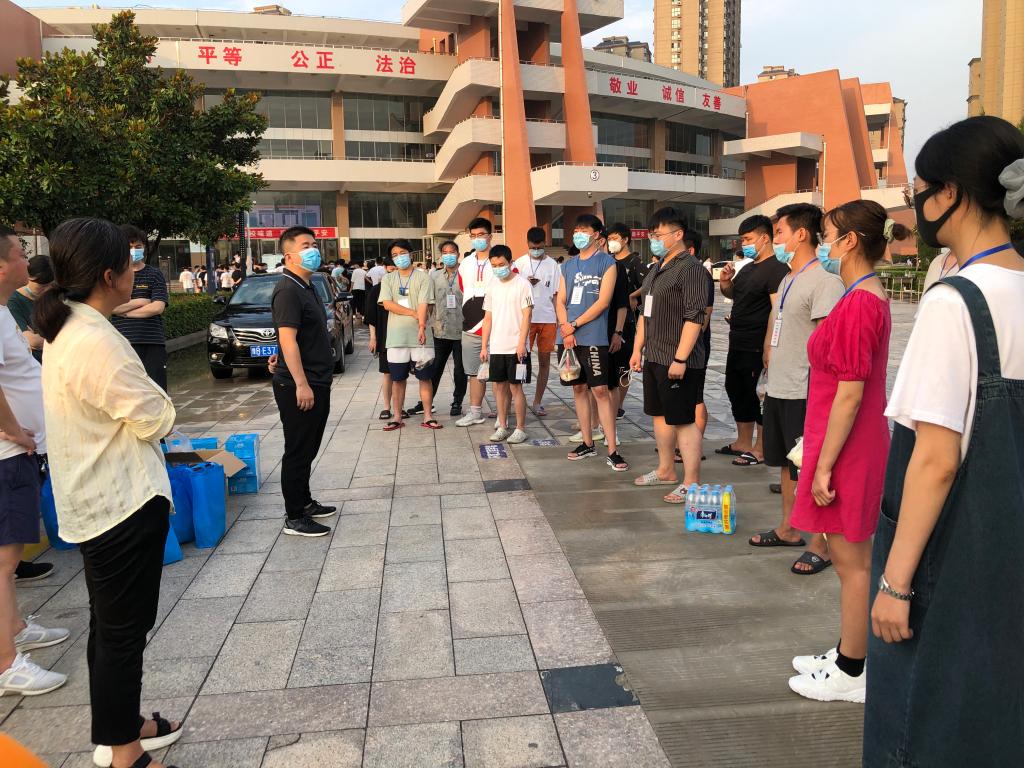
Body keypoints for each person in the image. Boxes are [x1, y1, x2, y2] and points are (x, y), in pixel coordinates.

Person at [864, 116, 1024, 765]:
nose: (917, 207)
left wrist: (896, 583)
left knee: (922, 723)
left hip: (951, 559)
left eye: (919, 192)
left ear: (950, 193)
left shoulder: (955, 301)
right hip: (1011, 551)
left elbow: (934, 460)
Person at [34, 218, 183, 767]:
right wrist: (161, 404)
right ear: (108, 274)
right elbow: (156, 418)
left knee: (112, 626)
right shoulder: (96, 340)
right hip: (121, 504)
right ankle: (125, 753)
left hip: (96, 497)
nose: (135, 271)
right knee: (122, 633)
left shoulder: (70, 324)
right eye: (128, 262)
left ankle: (122, 724)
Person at [786, 201, 908, 703]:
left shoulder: (860, 302)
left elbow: (850, 393)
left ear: (850, 241)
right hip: (841, 440)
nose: (823, 244)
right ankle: (846, 653)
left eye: (827, 235)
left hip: (849, 447)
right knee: (847, 559)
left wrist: (825, 465)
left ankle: (853, 670)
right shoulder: (860, 295)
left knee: (851, 563)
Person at [749, 204, 844, 573]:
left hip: (805, 392)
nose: (776, 241)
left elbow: (825, 346)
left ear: (801, 234)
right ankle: (788, 528)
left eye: (780, 233)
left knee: (811, 467)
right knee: (787, 467)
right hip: (780, 387)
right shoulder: (789, 278)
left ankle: (822, 543)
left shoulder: (825, 282)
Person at [0, 229, 69, 698]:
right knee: (4, 560)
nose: (28, 261)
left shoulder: (4, 310)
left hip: (19, 451)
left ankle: (16, 629)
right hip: (8, 453)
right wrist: (14, 430)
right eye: (20, 254)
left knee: (8, 558)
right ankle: (6, 665)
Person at [629, 207, 710, 498]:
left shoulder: (692, 269)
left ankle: (692, 481)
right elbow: (644, 313)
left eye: (658, 234)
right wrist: (637, 349)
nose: (653, 239)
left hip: (678, 359)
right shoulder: (656, 269)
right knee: (659, 415)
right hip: (655, 355)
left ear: (678, 235)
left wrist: (680, 358)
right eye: (651, 235)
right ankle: (666, 470)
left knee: (683, 420)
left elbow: (695, 317)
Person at [270, 226, 337, 538]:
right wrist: (300, 383)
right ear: (289, 255)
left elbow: (293, 334)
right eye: (306, 245)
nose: (314, 250)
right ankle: (295, 516)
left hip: (316, 378)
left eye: (314, 244)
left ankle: (305, 502)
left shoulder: (306, 285)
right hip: (301, 384)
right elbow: (288, 339)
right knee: (298, 449)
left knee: (308, 447)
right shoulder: (288, 290)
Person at [556, 214, 628, 471]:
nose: (578, 234)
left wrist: (574, 325)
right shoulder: (567, 266)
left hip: (593, 336)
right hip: (567, 337)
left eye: (584, 230)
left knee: (600, 391)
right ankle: (587, 443)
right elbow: (560, 300)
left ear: (597, 235)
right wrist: (566, 329)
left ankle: (613, 450)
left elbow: (604, 302)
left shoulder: (607, 263)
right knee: (578, 388)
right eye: (576, 230)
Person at [717, 215, 789, 466]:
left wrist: (770, 345)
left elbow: (777, 311)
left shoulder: (777, 269)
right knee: (736, 389)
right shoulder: (748, 268)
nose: (744, 244)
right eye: (742, 240)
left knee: (757, 395)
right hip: (738, 340)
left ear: (764, 238)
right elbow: (735, 295)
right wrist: (725, 282)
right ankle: (743, 442)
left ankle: (761, 447)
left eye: (748, 239)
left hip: (758, 344)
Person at [379, 239, 440, 431]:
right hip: (396, 337)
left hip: (421, 338)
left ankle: (428, 416)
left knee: (425, 377)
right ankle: (397, 416)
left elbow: (424, 304)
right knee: (398, 379)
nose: (399, 257)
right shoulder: (388, 279)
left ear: (411, 254)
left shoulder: (423, 277)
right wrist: (413, 314)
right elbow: (387, 303)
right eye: (395, 255)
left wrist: (421, 326)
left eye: (402, 253)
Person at [482, 245, 533, 443]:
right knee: (499, 388)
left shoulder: (522, 284)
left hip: (516, 348)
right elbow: (488, 318)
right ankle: (502, 425)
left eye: (501, 264)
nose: (498, 268)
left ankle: (520, 428)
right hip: (497, 346)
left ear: (511, 263)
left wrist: (522, 344)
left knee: (516, 387)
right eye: (494, 265)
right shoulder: (492, 285)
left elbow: (527, 315)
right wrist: (485, 346)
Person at [110, 225, 169, 392]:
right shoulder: (113, 275)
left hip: (152, 343)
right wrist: (142, 301)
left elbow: (157, 307)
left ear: (144, 248)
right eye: (129, 247)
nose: (134, 250)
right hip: (122, 342)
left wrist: (125, 313)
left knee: (157, 390)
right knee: (127, 392)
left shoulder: (154, 274)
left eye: (138, 246)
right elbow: (112, 307)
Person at [455, 218, 497, 427]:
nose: (477, 239)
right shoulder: (466, 263)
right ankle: (475, 412)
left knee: (499, 374)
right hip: (470, 326)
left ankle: (503, 414)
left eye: (481, 235)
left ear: (490, 236)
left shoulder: (501, 260)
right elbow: (463, 289)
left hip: (497, 326)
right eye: (473, 236)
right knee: (474, 372)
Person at [513, 227, 560, 417]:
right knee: (519, 360)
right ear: (527, 244)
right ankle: (517, 399)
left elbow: (556, 295)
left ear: (545, 244)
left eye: (539, 247)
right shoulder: (519, 263)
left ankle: (537, 401)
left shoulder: (553, 265)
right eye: (533, 247)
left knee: (544, 361)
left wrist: (559, 319)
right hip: (526, 319)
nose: (536, 250)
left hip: (548, 318)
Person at [605, 223, 645, 420]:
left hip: (627, 322)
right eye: (609, 239)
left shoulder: (635, 262)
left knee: (623, 366)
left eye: (615, 238)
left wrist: (632, 295)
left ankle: (619, 405)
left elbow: (649, 284)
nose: (611, 242)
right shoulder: (608, 261)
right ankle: (608, 406)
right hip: (607, 320)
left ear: (625, 239)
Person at [424, 241, 466, 417]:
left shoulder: (466, 274)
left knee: (460, 370)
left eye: (452, 252)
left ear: (458, 254)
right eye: (445, 252)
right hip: (440, 329)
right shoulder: (434, 276)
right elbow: (430, 302)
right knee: (435, 368)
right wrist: (424, 326)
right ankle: (427, 401)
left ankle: (457, 401)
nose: (449, 255)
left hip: (462, 329)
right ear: (441, 255)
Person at [364, 258, 399, 420]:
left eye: (396, 268)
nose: (393, 270)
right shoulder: (376, 290)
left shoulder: (404, 288)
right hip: (384, 337)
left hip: (402, 336)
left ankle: (400, 407)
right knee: (387, 373)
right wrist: (373, 338)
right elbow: (371, 317)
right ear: (385, 268)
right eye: (391, 268)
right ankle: (386, 407)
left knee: (401, 375)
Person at [7, 255, 52, 364]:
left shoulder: (52, 296)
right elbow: (31, 340)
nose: (46, 290)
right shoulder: (13, 301)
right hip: (33, 362)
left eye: (50, 285)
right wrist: (57, 340)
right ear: (28, 277)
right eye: (42, 286)